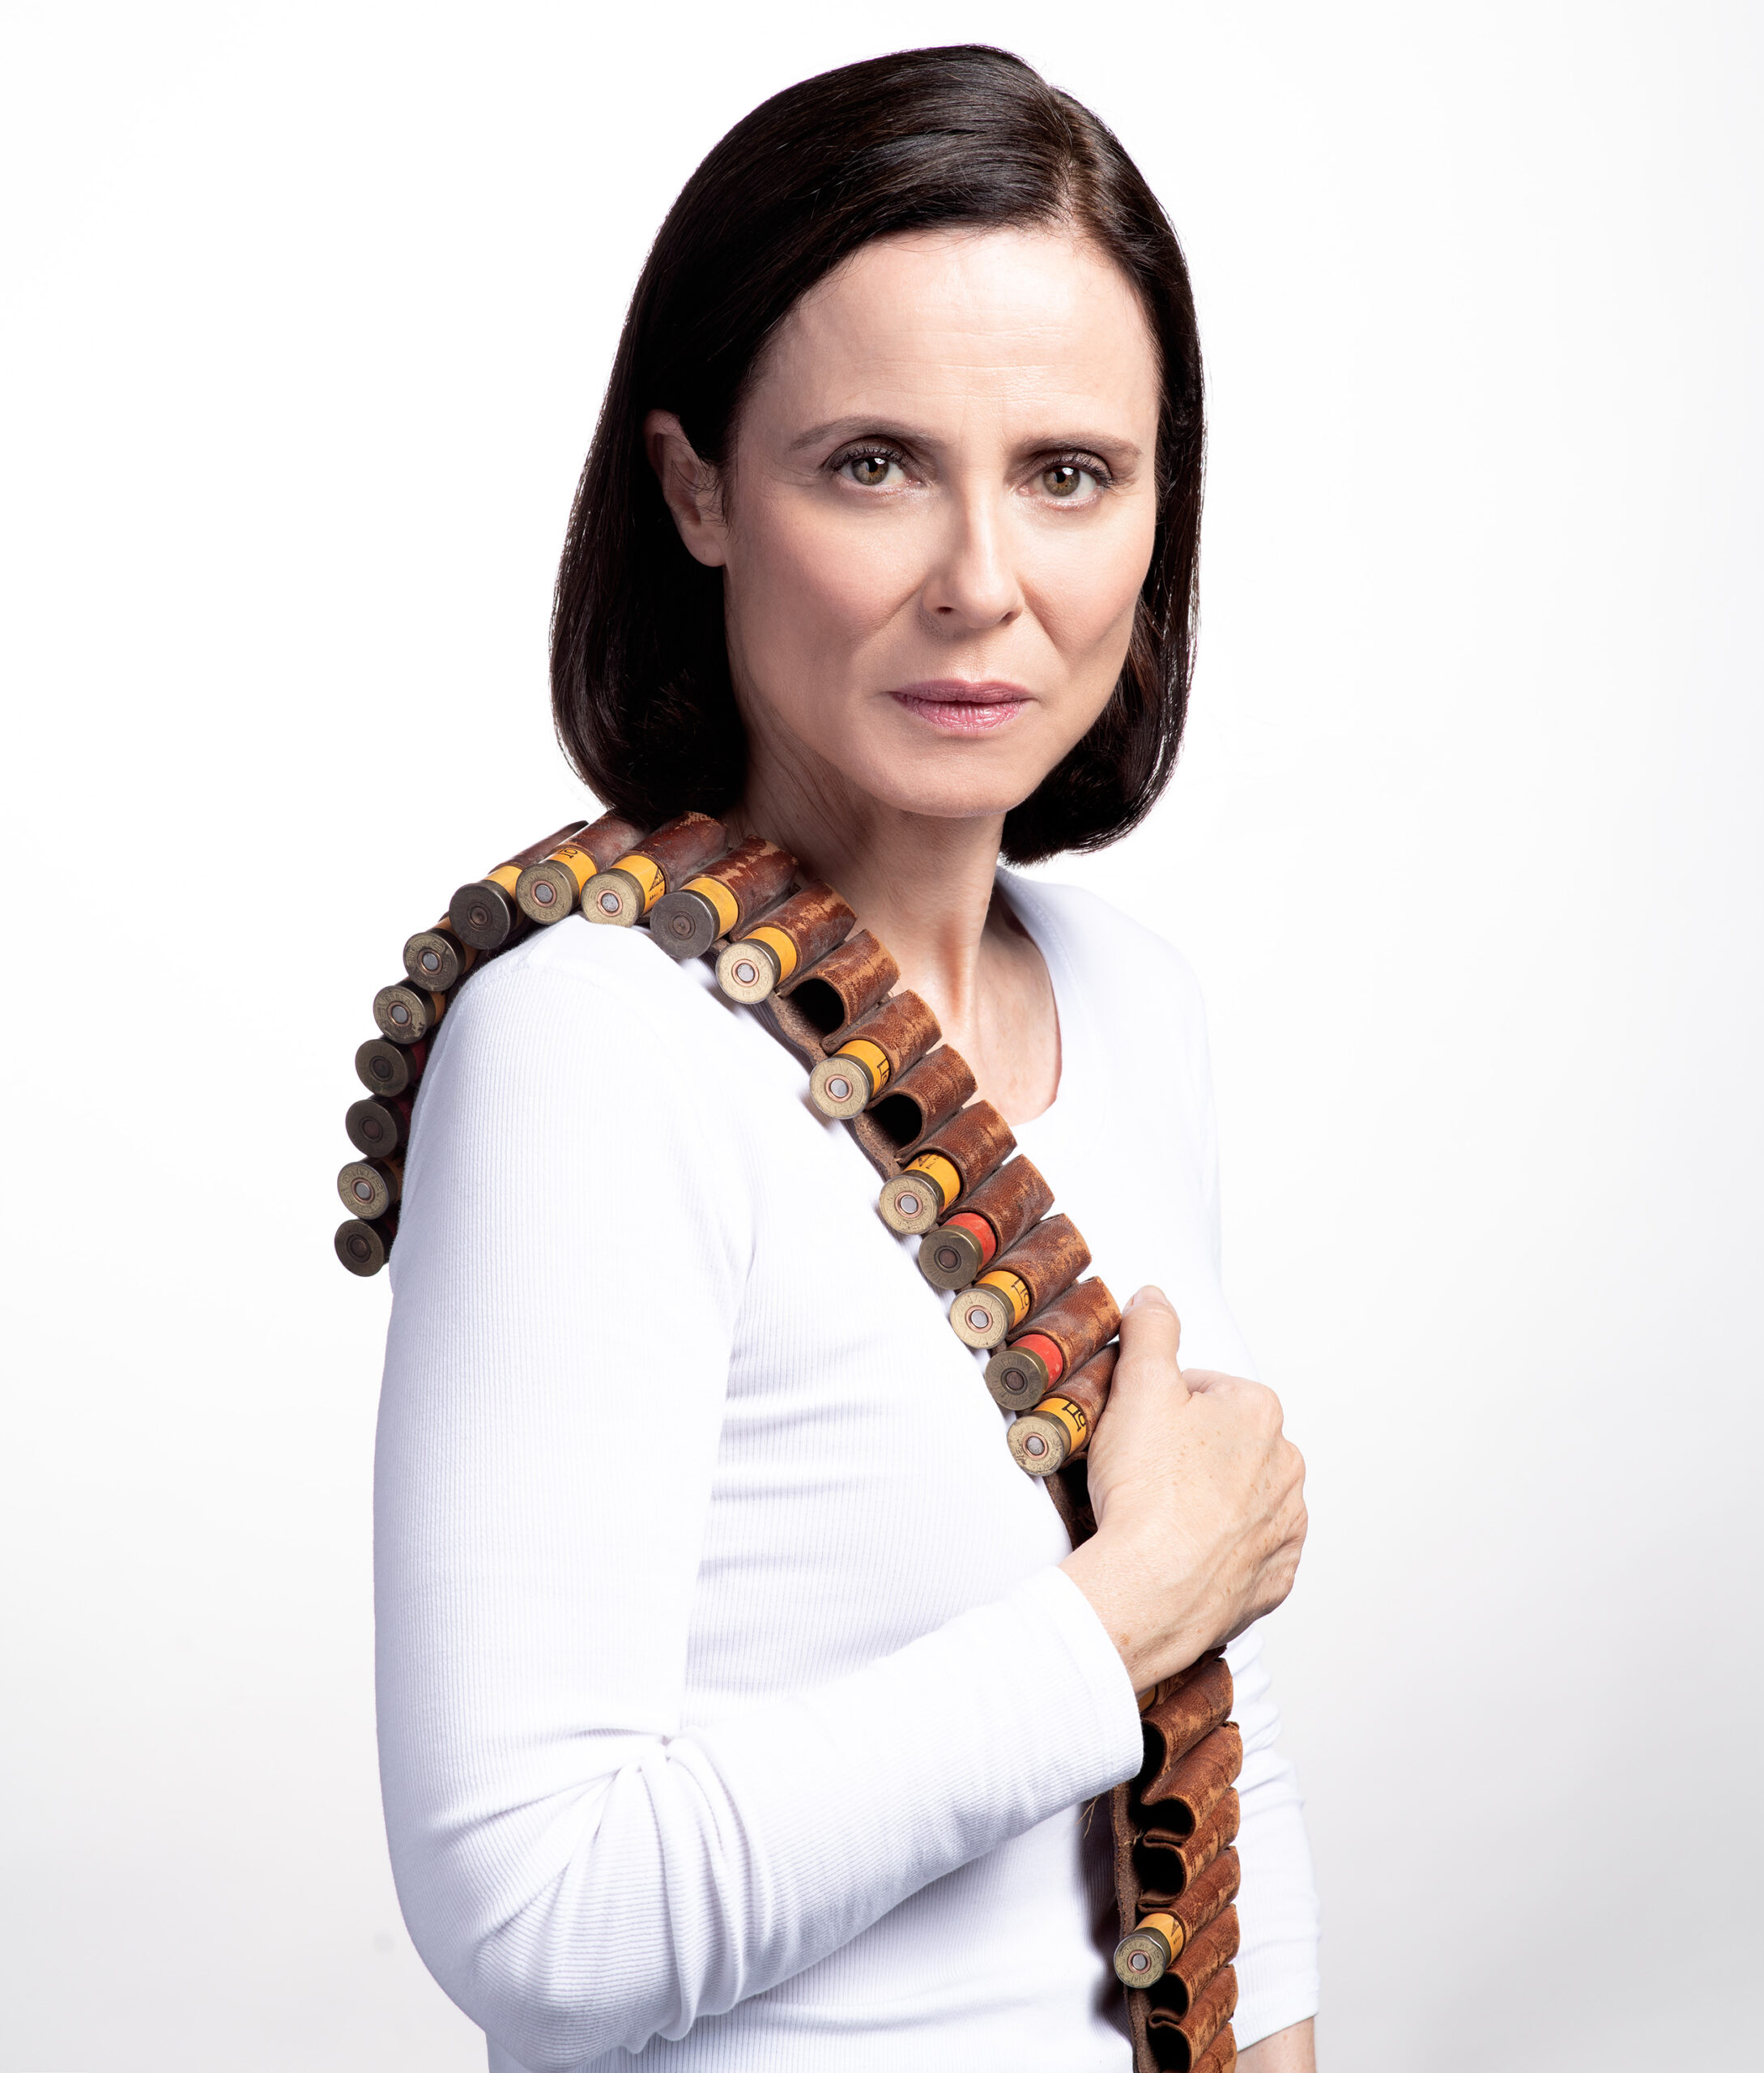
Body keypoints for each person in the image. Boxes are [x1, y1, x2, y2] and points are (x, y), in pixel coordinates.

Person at [375, 44, 1317, 2073]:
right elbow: (539, 1915)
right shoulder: (594, 1039)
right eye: (873, 463)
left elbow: (1197, 1775)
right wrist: (1126, 1603)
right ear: (697, 487)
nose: (982, 580)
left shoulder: (1132, 996)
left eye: (1069, 472)